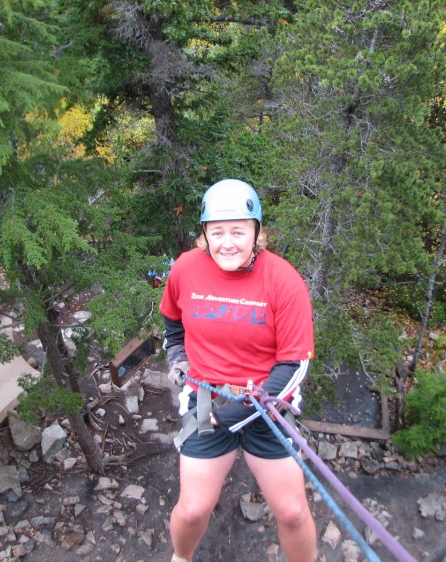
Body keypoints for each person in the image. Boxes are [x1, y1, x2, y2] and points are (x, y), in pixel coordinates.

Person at [159, 179, 317, 562]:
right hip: (206, 399)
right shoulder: (185, 269)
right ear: (205, 234)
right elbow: (172, 322)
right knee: (193, 509)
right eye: (217, 233)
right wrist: (178, 358)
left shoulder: (283, 281)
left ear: (256, 233)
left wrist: (232, 414)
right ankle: (181, 557)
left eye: (238, 232)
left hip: (267, 404)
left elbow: (294, 364)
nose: (227, 243)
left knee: (293, 513)